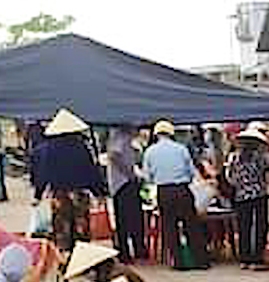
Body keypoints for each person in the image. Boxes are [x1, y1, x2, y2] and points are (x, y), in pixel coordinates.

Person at [34, 109, 108, 254]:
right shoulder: (81, 146)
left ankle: (63, 261)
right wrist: (99, 192)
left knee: (62, 231)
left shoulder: (49, 148)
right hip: (79, 194)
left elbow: (43, 173)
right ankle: (82, 260)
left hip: (59, 194)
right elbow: (91, 171)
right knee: (81, 230)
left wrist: (38, 194)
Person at [144, 120, 209, 270]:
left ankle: (178, 262)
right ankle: (201, 261)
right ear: (172, 133)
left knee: (169, 227)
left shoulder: (150, 152)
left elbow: (148, 177)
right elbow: (191, 173)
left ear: (156, 134)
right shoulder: (181, 149)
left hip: (164, 192)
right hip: (182, 190)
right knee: (191, 225)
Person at [226, 124, 269, 270]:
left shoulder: (234, 158)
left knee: (243, 227)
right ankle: (257, 259)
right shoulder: (260, 157)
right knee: (260, 226)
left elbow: (230, 178)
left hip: (241, 196)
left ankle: (244, 259)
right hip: (259, 194)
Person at [107, 127, 148, 263]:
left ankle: (133, 250)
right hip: (124, 185)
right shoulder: (121, 138)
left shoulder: (122, 139)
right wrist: (129, 174)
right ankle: (130, 252)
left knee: (127, 220)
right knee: (131, 220)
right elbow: (114, 155)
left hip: (121, 185)